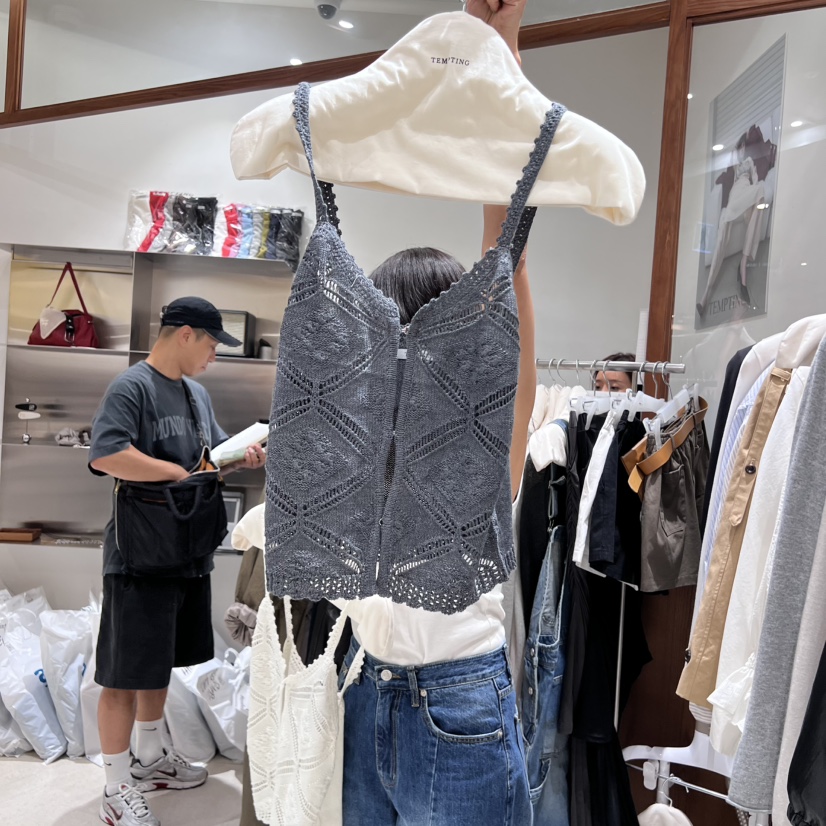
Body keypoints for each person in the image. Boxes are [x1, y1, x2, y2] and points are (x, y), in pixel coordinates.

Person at [335, 4, 536, 824]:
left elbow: (506, 251)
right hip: (364, 687)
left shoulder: (479, 445)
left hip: (458, 704)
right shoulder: (357, 443)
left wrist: (502, 50)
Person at [88, 297, 266, 826]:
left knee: (156, 663)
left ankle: (149, 760)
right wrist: (170, 471)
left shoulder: (195, 394)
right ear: (185, 334)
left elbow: (207, 460)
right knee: (123, 675)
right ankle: (115, 787)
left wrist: (238, 459)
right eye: (211, 344)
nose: (214, 355)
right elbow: (106, 454)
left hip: (185, 551)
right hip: (138, 555)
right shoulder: (132, 387)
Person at [697, 132, 766, 317]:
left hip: (746, 193)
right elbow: (730, 159)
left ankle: (743, 264)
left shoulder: (749, 161)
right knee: (722, 237)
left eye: (743, 146)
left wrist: (753, 193)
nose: (742, 150)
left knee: (760, 191)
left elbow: (756, 180)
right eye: (739, 147)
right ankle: (705, 295)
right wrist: (735, 151)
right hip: (734, 198)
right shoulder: (734, 165)